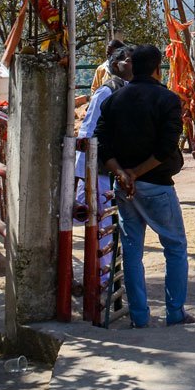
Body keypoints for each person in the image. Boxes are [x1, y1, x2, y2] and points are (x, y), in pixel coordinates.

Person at [95, 43, 195, 328]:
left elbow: (101, 141)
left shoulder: (113, 100)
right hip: (157, 185)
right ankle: (175, 312)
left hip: (124, 187)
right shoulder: (167, 100)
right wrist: (137, 173)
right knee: (175, 247)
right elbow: (167, 147)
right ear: (157, 69)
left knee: (131, 250)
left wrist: (122, 174)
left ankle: (139, 317)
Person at [74, 40, 127, 282]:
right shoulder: (106, 90)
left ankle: (109, 275)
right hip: (102, 166)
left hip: (116, 166)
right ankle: (103, 278)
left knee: (112, 223)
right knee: (102, 221)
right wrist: (82, 169)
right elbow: (88, 131)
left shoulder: (126, 88)